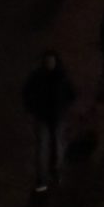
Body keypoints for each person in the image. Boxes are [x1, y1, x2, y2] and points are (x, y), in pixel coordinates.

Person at [23, 50, 76, 192]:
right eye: (47, 61)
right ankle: (42, 177)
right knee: (42, 147)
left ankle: (55, 170)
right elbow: (26, 93)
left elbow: (72, 94)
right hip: (43, 117)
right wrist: (33, 108)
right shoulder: (37, 77)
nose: (49, 64)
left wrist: (63, 108)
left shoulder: (62, 77)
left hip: (57, 118)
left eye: (51, 61)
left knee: (56, 146)